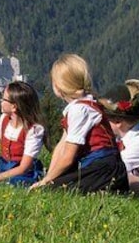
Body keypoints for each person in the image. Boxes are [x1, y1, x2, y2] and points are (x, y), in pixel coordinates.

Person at [30, 54, 128, 193]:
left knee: (53, 191)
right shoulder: (84, 105)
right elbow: (61, 147)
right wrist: (48, 178)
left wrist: (46, 181)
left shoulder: (79, 110)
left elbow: (68, 156)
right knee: (50, 186)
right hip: (104, 166)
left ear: (58, 86)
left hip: (103, 170)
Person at [0, 81, 45, 187]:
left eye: (4, 99)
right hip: (2, 164)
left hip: (22, 172)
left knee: (7, 185)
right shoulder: (3, 119)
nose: (1, 101)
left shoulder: (33, 130)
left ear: (14, 107)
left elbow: (24, 167)